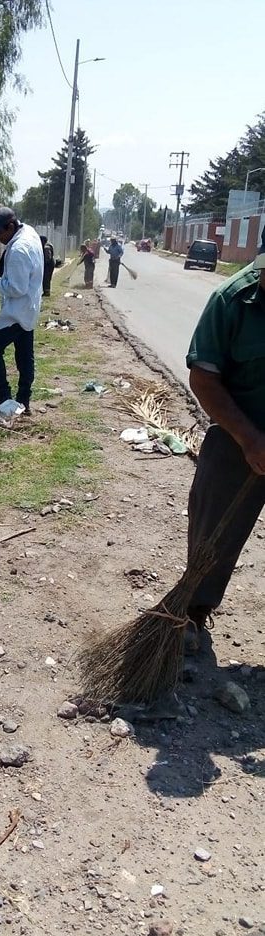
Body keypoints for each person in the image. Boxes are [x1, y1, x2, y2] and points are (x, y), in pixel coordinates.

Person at [183, 233, 265, 651]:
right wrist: (250, 439)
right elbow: (204, 379)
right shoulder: (231, 301)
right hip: (237, 434)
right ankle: (193, 611)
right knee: (213, 529)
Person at [0, 206, 44, 415]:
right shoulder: (29, 231)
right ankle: (23, 400)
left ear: (10, 226)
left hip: (16, 312)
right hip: (30, 307)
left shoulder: (19, 249)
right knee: (25, 355)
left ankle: (4, 396)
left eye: (0, 233)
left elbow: (16, 289)